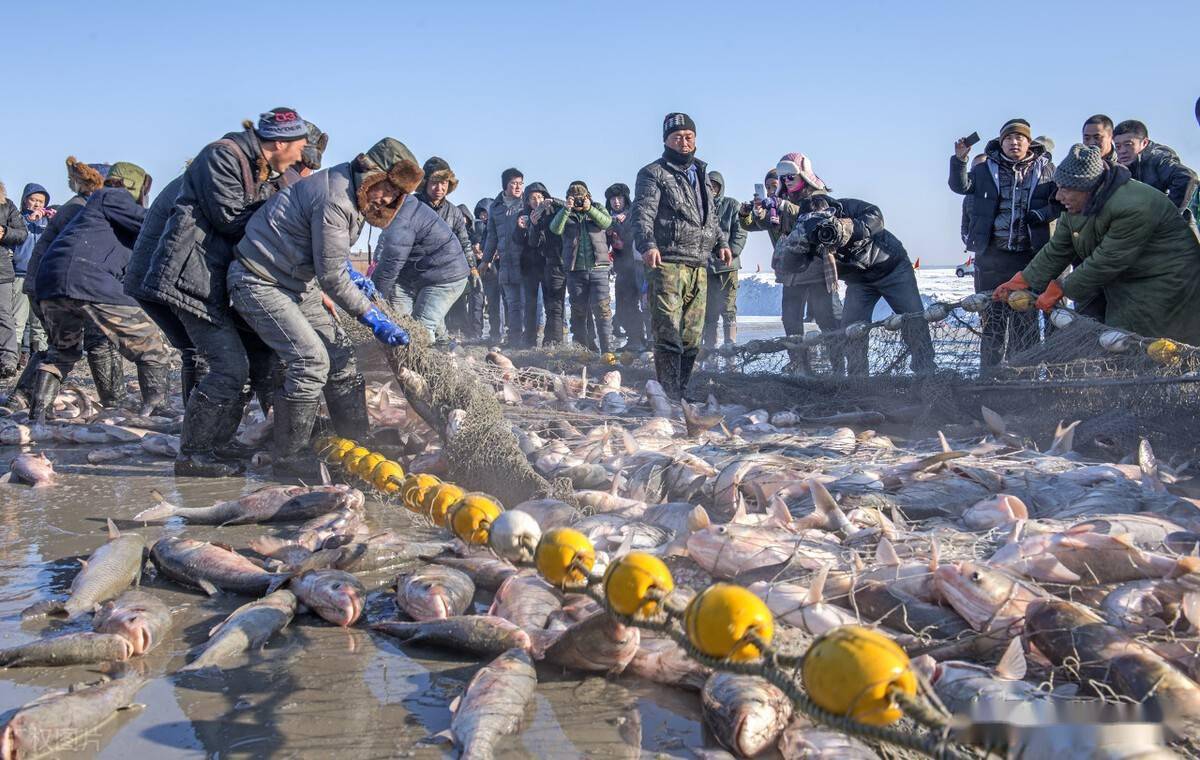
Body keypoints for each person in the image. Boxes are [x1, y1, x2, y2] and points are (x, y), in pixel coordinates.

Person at [231, 137, 420, 480]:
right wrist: (371, 317)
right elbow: (331, 278)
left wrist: (351, 272)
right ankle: (289, 455)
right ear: (371, 174)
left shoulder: (353, 195)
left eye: (396, 194)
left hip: (295, 283)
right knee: (310, 361)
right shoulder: (337, 197)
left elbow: (327, 250)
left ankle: (356, 439)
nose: (388, 198)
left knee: (342, 355)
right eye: (387, 188)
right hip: (259, 280)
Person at [141, 108, 309, 477]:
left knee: (247, 365)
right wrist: (288, 220)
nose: (300, 156)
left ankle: (219, 443)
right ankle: (193, 454)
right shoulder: (222, 155)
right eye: (298, 147)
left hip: (214, 278)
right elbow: (230, 218)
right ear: (279, 143)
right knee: (228, 367)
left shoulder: (264, 169)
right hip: (192, 276)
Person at [994, 144, 1200, 345]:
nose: (1058, 196)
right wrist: (1024, 279)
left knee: (1148, 345)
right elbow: (1058, 248)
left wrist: (1062, 288)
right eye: (1059, 188)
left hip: (1168, 282)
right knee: (1121, 341)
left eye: (1065, 189)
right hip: (1128, 281)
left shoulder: (1134, 205)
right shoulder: (1074, 207)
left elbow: (1108, 260)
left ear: (1088, 187)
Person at [30, 162, 174, 421]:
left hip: (51, 285)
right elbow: (152, 223)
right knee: (151, 345)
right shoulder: (111, 196)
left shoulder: (95, 212)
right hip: (88, 281)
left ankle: (38, 413)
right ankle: (157, 410)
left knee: (62, 351)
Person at [775, 181, 934, 376]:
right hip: (859, 281)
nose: (822, 228)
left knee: (914, 320)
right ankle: (858, 380)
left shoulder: (846, 207)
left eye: (824, 220)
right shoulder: (810, 234)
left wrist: (847, 228)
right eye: (814, 223)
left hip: (893, 269)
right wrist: (795, 245)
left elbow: (876, 216)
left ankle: (926, 371)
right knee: (852, 331)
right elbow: (791, 267)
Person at [6, 157, 126, 412]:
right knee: (96, 341)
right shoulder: (86, 208)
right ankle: (114, 402)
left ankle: (25, 397)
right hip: (59, 285)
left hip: (44, 283)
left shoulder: (78, 205)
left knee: (61, 345)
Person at [634, 113, 730, 400]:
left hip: (699, 262)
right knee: (668, 331)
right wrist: (648, 244)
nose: (684, 142)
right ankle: (669, 393)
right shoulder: (653, 173)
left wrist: (721, 242)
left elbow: (709, 215)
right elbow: (642, 213)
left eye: (689, 137)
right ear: (666, 140)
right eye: (677, 137)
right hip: (668, 263)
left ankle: (682, 389)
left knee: (691, 335)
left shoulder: (701, 172)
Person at [950, 118, 1059, 369]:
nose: (1014, 142)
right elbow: (960, 186)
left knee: (1025, 322)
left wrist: (1042, 215)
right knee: (992, 322)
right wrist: (960, 160)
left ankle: (1023, 379)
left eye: (1019, 137)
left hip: (1028, 257)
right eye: (1008, 138)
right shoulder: (984, 169)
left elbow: (1059, 203)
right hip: (992, 256)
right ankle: (988, 378)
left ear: (1029, 142)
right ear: (1001, 142)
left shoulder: (1046, 170)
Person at [740, 154, 843, 375]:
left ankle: (839, 368)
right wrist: (750, 214)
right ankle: (799, 365)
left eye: (790, 176)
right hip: (791, 271)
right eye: (783, 177)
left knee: (829, 318)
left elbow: (811, 217)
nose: (786, 181)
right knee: (790, 319)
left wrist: (783, 205)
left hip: (815, 269)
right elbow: (762, 223)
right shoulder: (779, 200)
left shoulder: (817, 196)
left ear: (803, 175)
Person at [371, 185, 470, 342]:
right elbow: (386, 247)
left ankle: (426, 361)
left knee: (420, 328)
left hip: (446, 275)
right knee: (400, 320)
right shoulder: (403, 206)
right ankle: (444, 347)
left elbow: (392, 262)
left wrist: (373, 299)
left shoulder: (403, 218)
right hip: (417, 273)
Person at [549, 181, 615, 360]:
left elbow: (607, 223)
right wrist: (566, 209)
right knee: (578, 312)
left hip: (599, 269)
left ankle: (608, 351)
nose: (578, 201)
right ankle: (582, 350)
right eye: (574, 198)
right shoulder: (565, 213)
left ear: (588, 197)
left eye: (581, 198)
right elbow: (555, 229)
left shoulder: (597, 208)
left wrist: (589, 209)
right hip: (575, 270)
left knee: (602, 311)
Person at [513, 182, 564, 347]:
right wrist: (521, 228)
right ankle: (529, 340)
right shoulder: (523, 215)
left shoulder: (553, 211)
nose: (537, 200)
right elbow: (518, 240)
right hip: (530, 266)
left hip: (551, 264)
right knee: (530, 305)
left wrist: (553, 201)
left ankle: (551, 341)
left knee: (552, 305)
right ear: (527, 201)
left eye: (540, 197)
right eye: (533, 198)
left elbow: (568, 209)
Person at [1112, 120, 1198, 214]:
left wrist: (1166, 215)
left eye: (1128, 145)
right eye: (1118, 146)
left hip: (1171, 223)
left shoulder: (1157, 158)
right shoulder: (1117, 166)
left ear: (1144, 143)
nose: (1122, 151)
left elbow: (1187, 177)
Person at [702, 171, 747, 349]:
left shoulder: (731, 205)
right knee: (709, 309)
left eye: (715, 186)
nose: (712, 189)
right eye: (709, 186)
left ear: (720, 188)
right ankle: (710, 344)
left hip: (728, 266)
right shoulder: (700, 207)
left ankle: (730, 343)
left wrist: (731, 251)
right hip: (706, 266)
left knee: (728, 306)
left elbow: (741, 231)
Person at [483, 168, 526, 347]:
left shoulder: (527, 203)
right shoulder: (495, 207)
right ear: (505, 185)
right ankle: (515, 339)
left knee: (528, 303)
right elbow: (491, 236)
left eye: (520, 183)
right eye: (513, 183)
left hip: (526, 261)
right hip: (506, 262)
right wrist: (486, 260)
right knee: (512, 303)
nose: (517, 187)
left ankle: (530, 339)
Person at [605, 182, 646, 352]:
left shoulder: (632, 215)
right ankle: (632, 338)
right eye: (613, 199)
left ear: (625, 199)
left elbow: (630, 239)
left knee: (634, 303)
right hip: (621, 268)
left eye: (619, 198)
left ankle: (638, 339)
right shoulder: (607, 218)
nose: (616, 202)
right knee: (622, 305)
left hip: (636, 267)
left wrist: (618, 225)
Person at [13, 184, 51, 366]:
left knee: (38, 323)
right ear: (25, 200)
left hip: (41, 277)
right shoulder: (18, 220)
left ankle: (40, 358)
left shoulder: (48, 222)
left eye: (40, 201)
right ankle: (11, 358)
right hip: (19, 274)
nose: (36, 204)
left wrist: (49, 217)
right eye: (33, 199)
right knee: (17, 321)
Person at [0, 183, 30, 377]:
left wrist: (4, 232)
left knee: (3, 314)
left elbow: (22, 233)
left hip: (1, 270)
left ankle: (8, 358)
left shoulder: (6, 205)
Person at [473, 198, 501, 342]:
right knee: (490, 302)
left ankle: (498, 334)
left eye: (485, 213)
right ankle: (494, 333)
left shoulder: (496, 226)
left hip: (498, 269)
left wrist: (488, 257)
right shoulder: (485, 229)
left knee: (499, 304)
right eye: (481, 214)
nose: (483, 216)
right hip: (488, 270)